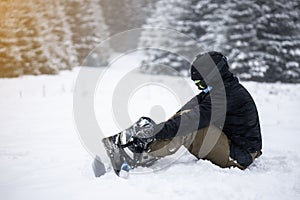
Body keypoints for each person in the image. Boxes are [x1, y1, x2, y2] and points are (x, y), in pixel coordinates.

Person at [115, 51, 262, 171]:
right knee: (184, 117)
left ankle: (143, 154)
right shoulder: (218, 90)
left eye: (199, 83)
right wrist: (155, 129)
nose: (199, 87)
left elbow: (190, 122)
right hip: (230, 143)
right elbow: (184, 112)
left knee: (190, 128)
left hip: (240, 155)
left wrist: (154, 133)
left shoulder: (227, 95)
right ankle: (142, 145)